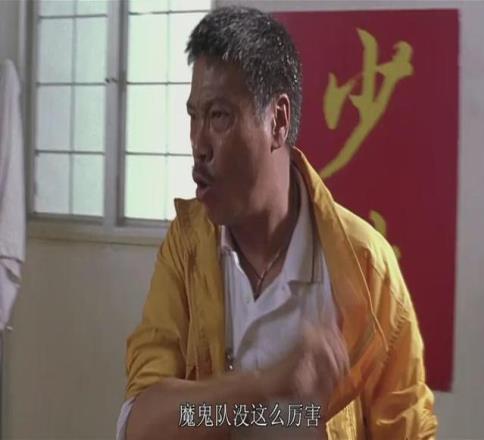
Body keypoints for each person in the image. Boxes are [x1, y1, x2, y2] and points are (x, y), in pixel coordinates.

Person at [116, 6, 437, 440]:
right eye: (194, 116)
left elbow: (408, 429)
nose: (198, 144)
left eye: (219, 116)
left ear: (278, 121)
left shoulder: (365, 267)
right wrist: (266, 382)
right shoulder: (188, 247)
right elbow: (140, 425)